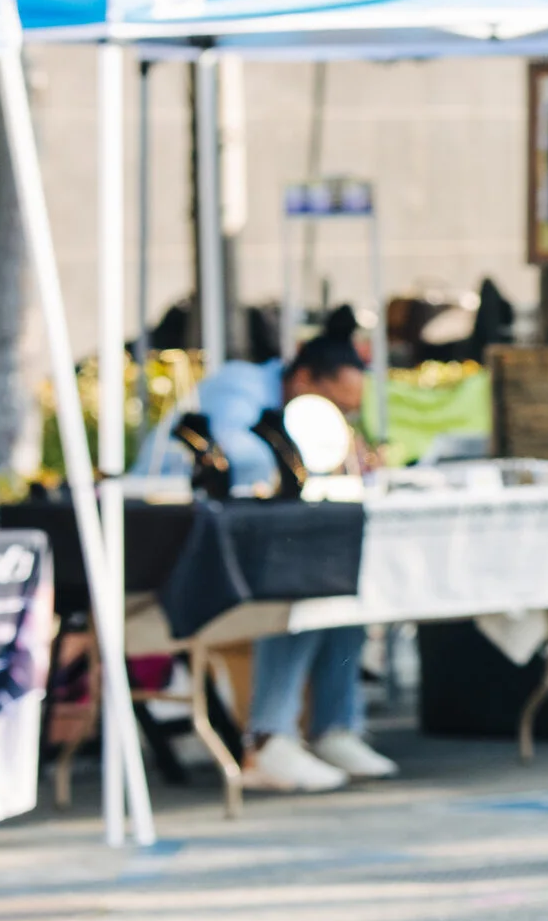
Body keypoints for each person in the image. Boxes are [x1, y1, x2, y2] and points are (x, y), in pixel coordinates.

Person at [145, 316, 396, 793]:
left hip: (242, 536)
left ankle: (333, 728)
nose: (340, 422)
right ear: (303, 380)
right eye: (334, 409)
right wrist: (320, 449)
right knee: (297, 585)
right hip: (171, 539)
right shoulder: (239, 385)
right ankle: (269, 737)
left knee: (340, 580)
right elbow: (241, 455)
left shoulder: (298, 401)